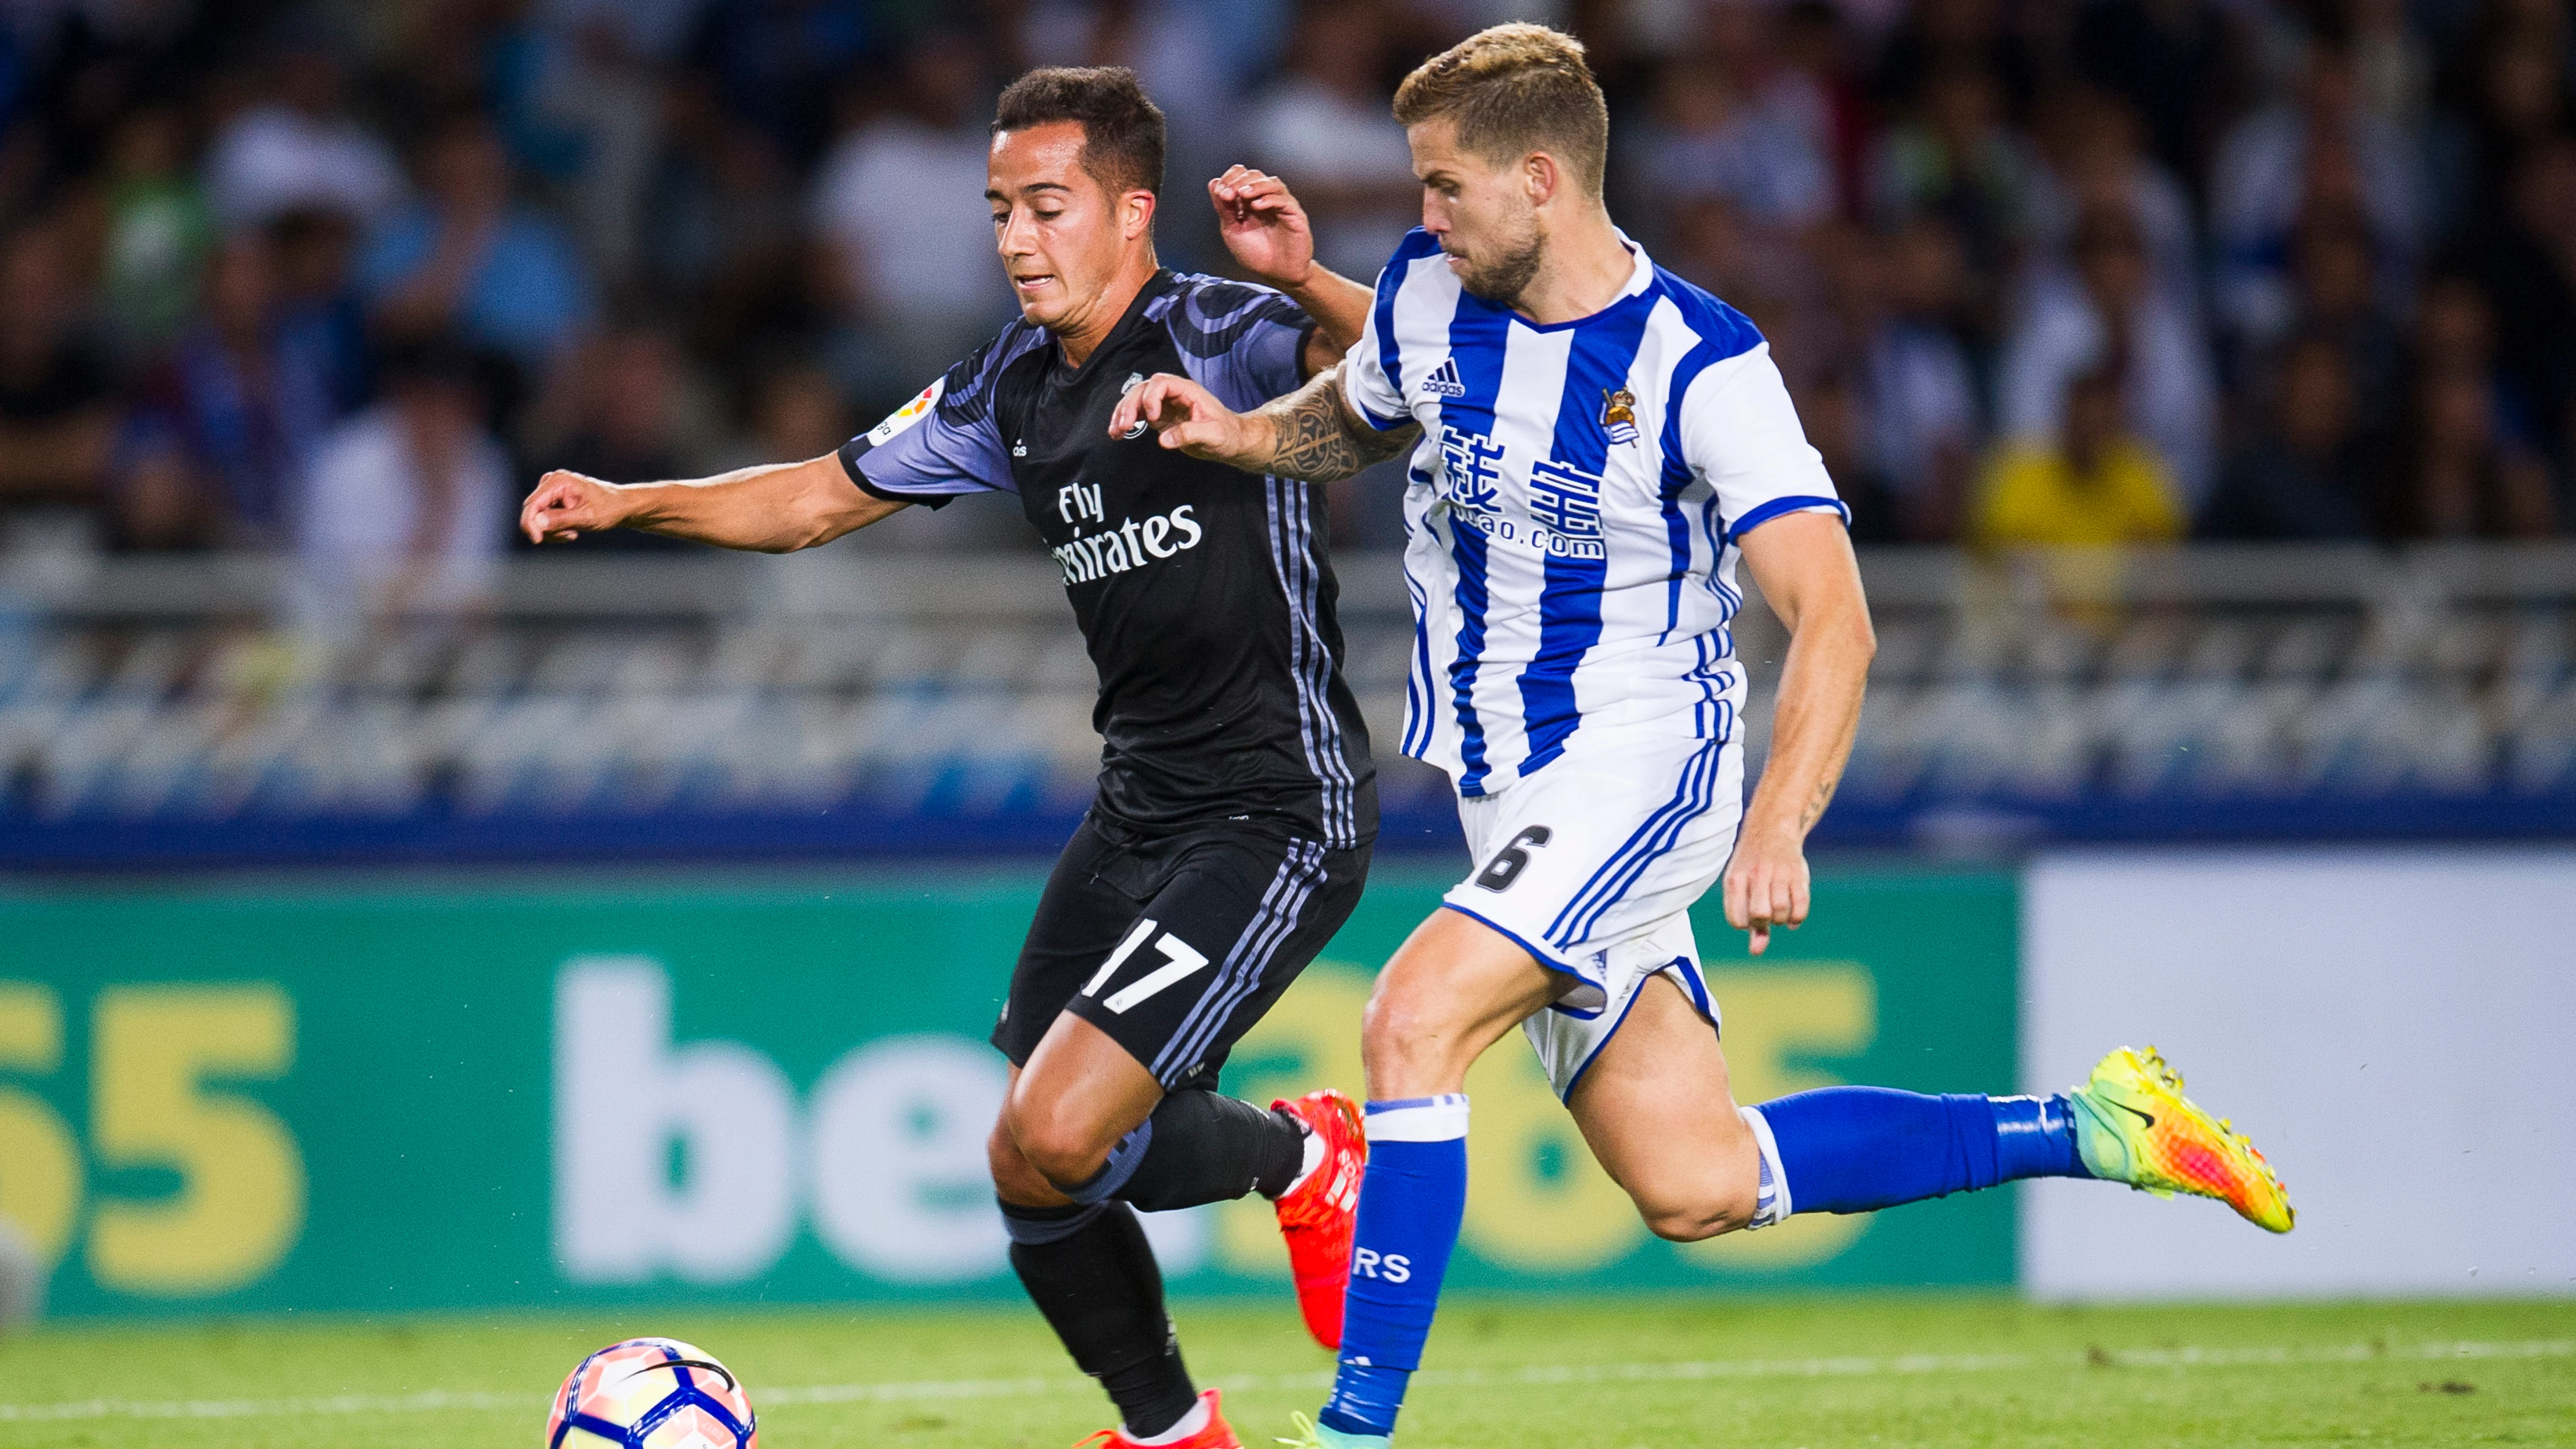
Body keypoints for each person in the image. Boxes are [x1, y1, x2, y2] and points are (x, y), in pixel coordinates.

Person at [1106, 28, 2296, 1449]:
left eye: (1443, 185)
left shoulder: (1705, 365)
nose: (1421, 214)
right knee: (1697, 1180)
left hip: (1640, 763)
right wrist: (1237, 429)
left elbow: (1833, 615)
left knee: (1410, 1022)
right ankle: (2098, 1124)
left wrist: (1780, 820)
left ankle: (1352, 1430)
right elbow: (1363, 418)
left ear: (1540, 179)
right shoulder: (1426, 291)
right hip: (1506, 787)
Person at [520, 67, 1381, 1449]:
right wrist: (638, 499)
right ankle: (1182, 1413)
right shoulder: (1013, 382)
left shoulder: (1220, 328)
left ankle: (1312, 1159)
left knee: (1056, 1129)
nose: (1018, 238)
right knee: (1041, 1165)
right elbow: (815, 498)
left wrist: (1317, 279)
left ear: (1130, 211)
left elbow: (1405, 382)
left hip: (1273, 810)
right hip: (1138, 806)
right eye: (998, 211)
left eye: (1048, 207)